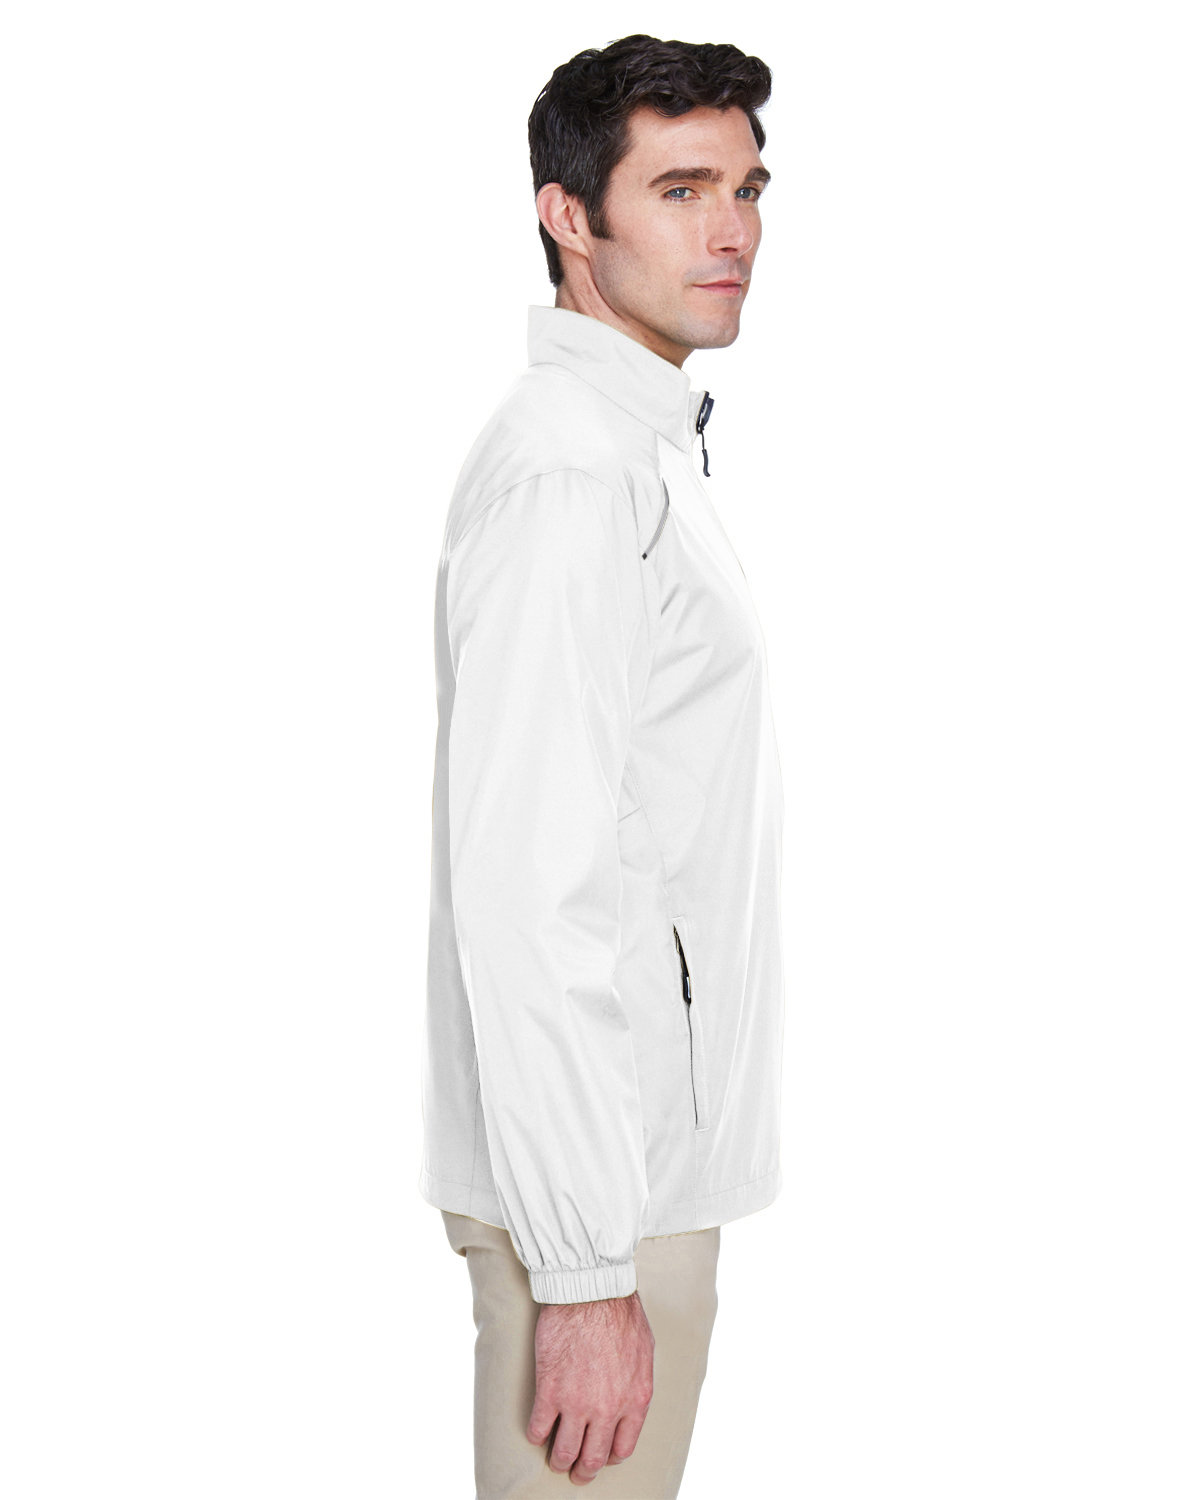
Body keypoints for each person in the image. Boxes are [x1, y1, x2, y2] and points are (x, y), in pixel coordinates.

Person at [419, 33, 786, 1498]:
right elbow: (527, 883)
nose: (731, 230)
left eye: (748, 188)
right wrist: (582, 1272)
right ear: (569, 218)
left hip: (634, 1185)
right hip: (599, 1208)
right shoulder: (575, 473)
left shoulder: (634, 453)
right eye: (680, 190)